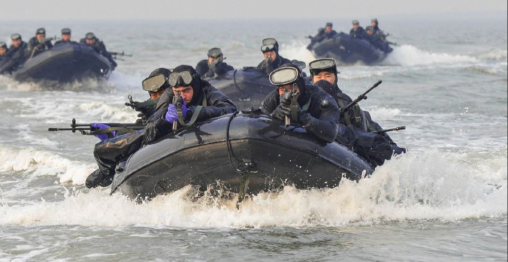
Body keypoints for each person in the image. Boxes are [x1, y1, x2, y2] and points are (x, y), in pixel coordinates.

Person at [86, 65, 237, 188]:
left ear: (195, 87)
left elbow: (230, 110)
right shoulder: (169, 96)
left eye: (186, 91)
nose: (182, 96)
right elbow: (150, 130)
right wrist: (166, 120)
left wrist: (192, 113)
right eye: (178, 92)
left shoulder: (206, 90)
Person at [308, 58, 405, 165]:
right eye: (318, 76)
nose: (323, 80)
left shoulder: (345, 102)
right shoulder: (304, 99)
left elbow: (366, 130)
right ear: (312, 79)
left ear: (335, 77)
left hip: (350, 146)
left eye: (328, 76)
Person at [260, 64, 341, 143]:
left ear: (301, 85)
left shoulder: (320, 98)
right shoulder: (273, 99)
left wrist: (303, 117)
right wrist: (275, 116)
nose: (287, 94)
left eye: (292, 88)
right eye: (283, 89)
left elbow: (331, 133)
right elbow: (258, 124)